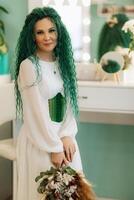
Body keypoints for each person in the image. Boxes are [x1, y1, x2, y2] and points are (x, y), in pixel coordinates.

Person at [14, 6, 82, 200]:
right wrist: (54, 147)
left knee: (73, 189)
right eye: (40, 32)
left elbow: (69, 104)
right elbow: (36, 112)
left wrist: (67, 135)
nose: (47, 37)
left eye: (51, 30)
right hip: (40, 140)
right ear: (32, 36)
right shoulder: (28, 66)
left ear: (59, 32)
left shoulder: (63, 63)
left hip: (63, 137)